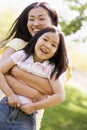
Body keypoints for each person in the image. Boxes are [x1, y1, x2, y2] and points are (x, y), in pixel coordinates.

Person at [0, 2, 72, 130]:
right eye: (31, 19)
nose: (35, 23)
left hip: (28, 115)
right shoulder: (18, 45)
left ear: (53, 21)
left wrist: (15, 72)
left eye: (41, 18)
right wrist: (33, 93)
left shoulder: (60, 60)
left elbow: (50, 90)